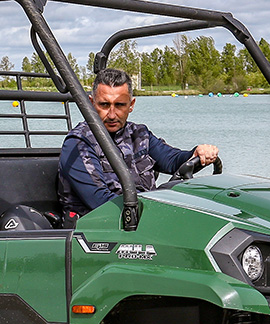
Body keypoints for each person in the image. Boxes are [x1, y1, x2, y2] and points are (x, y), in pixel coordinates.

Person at [57, 68, 219, 216]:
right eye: (105, 105)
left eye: (119, 105)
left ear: (131, 105)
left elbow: (173, 161)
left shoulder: (139, 135)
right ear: (91, 104)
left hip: (141, 221)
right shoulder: (79, 143)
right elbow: (99, 200)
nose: (112, 114)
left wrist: (197, 154)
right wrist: (157, 208)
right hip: (98, 230)